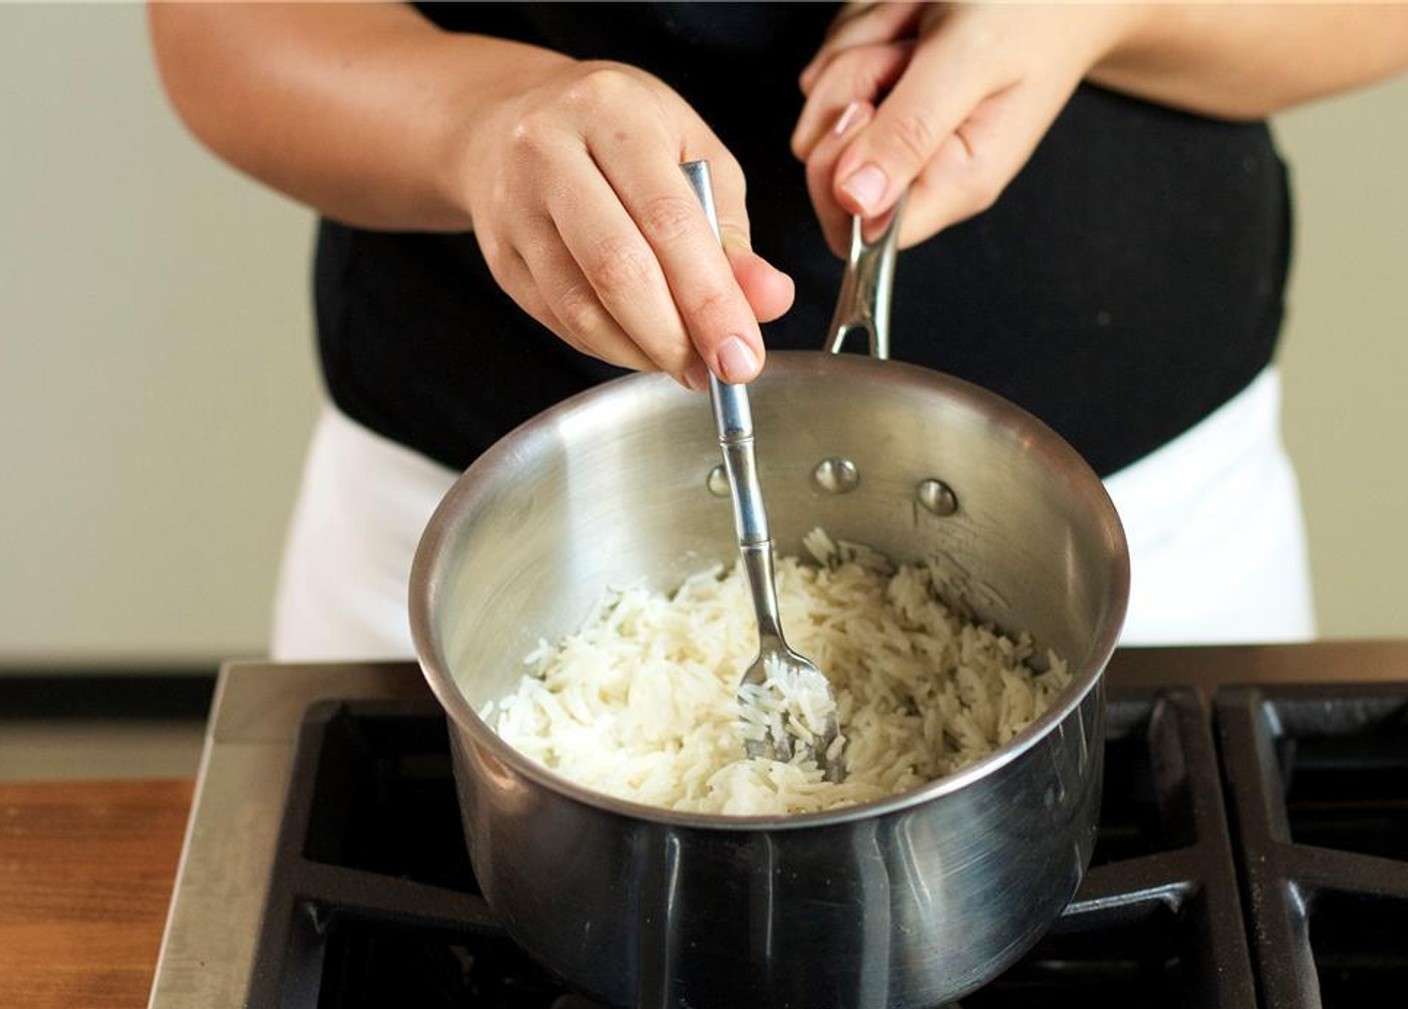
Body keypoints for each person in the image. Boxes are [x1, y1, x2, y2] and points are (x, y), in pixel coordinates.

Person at [147, 2, 1408, 658]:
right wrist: (479, 121)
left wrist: (1093, 11)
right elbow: (219, 23)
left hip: (1157, 538)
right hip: (481, 548)